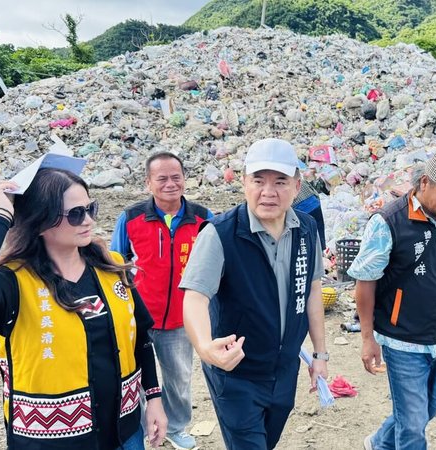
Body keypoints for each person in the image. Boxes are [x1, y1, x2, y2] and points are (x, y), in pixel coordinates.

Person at [0, 168, 167, 449]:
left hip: (125, 430)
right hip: (51, 441)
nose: (88, 221)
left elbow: (141, 340)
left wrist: (154, 398)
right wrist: (1, 216)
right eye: (75, 214)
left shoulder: (111, 267)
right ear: (41, 221)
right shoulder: (11, 284)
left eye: (90, 208)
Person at [179, 138, 328, 449]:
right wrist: (206, 348)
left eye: (280, 182)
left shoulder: (307, 229)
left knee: (267, 441)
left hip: (284, 369)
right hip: (237, 373)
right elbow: (195, 297)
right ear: (244, 182)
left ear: (297, 184)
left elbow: (312, 290)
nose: (268, 192)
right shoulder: (220, 234)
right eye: (258, 181)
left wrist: (320, 354)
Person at [348, 147, 436, 450]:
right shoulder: (388, 222)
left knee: (428, 409)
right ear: (424, 182)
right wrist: (366, 338)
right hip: (401, 338)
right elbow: (365, 282)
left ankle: (378, 443)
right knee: (413, 428)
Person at [111, 152, 212, 450]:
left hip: (182, 319)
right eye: (162, 179)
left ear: (184, 179)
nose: (170, 184)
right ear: (148, 183)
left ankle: (177, 426)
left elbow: (218, 263)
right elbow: (116, 263)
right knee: (136, 377)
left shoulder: (204, 218)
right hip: (139, 317)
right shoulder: (130, 218)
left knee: (179, 378)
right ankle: (145, 427)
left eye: (176, 177)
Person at [292, 178, 326, 251]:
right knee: (320, 230)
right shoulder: (302, 181)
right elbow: (314, 192)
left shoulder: (287, 187)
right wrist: (318, 202)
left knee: (307, 234)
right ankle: (322, 251)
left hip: (302, 211)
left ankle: (312, 253)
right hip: (315, 205)